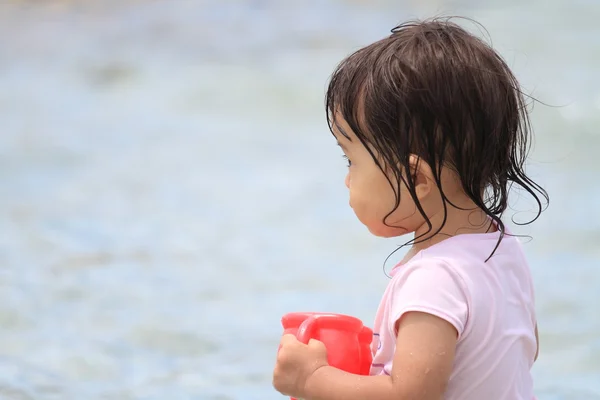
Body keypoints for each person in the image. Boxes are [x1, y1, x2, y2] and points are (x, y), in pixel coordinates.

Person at [272, 17, 548, 400]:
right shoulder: (502, 248)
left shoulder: (434, 277)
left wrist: (312, 379)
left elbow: (410, 396)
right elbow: (517, 351)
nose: (348, 180)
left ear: (416, 177)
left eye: (351, 160)